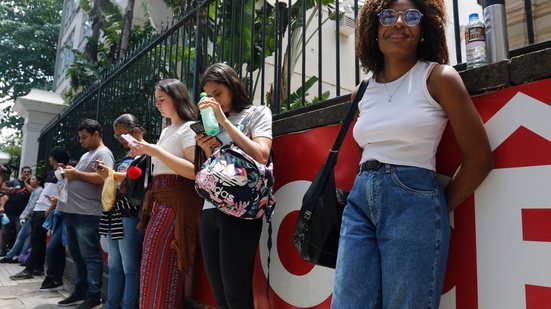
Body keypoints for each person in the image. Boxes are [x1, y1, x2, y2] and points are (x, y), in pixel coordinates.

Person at [330, 0, 494, 308]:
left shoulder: (438, 78)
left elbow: (480, 159)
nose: (399, 22)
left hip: (414, 201)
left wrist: (431, 207)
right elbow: (363, 152)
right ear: (373, 29)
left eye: (412, 16)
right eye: (388, 15)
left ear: (424, 29)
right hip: (359, 202)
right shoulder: (360, 92)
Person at [195, 63, 273, 309]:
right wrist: (208, 147)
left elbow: (262, 155)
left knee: (237, 296)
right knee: (220, 296)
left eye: (218, 93)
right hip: (210, 208)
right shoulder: (212, 122)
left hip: (241, 209)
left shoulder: (257, 112)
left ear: (233, 87)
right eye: (208, 96)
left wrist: (224, 123)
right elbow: (217, 167)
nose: (214, 100)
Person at [131, 79, 203, 308]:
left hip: (176, 202)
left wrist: (155, 151)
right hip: (159, 200)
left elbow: (195, 171)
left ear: (177, 98)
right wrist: (147, 150)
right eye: (156, 100)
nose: (157, 104)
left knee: (162, 262)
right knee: (151, 262)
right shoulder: (166, 130)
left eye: (162, 99)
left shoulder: (190, 127)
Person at [57, 119, 114, 309]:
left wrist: (76, 174)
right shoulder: (86, 155)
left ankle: (93, 295)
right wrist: (71, 172)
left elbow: (103, 177)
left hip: (88, 213)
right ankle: (80, 290)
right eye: (80, 137)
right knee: (77, 255)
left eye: (84, 137)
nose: (81, 141)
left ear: (96, 134)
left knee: (89, 256)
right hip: (74, 212)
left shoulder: (103, 153)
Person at [95, 114, 145, 309]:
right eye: (117, 137)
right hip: (114, 213)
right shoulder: (126, 156)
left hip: (130, 214)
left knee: (130, 267)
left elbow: (139, 183)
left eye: (122, 135)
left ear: (136, 131)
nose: (120, 140)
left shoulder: (147, 154)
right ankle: (111, 305)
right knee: (115, 266)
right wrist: (108, 174)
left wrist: (113, 174)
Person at [39, 150, 72, 291]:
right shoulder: (60, 179)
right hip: (60, 214)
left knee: (54, 248)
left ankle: (54, 277)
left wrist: (55, 203)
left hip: (67, 215)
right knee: (55, 248)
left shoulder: (70, 180)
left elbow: (68, 198)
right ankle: (54, 278)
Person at [9, 175, 47, 279]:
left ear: (39, 181)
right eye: (31, 179)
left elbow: (32, 205)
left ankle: (11, 256)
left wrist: (24, 215)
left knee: (24, 237)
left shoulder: (39, 191)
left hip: (32, 216)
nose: (31, 180)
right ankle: (22, 258)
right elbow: (29, 203)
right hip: (31, 216)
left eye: (33, 179)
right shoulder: (35, 190)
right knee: (27, 239)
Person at [0, 166, 32, 256]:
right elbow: (2, 188)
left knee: (19, 234)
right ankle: (2, 251)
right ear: (21, 172)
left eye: (28, 172)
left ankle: (15, 252)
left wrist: (26, 183)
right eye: (25, 172)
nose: (26, 173)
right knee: (5, 232)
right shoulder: (13, 182)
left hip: (21, 214)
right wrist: (9, 190)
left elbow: (33, 193)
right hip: (9, 212)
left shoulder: (32, 183)